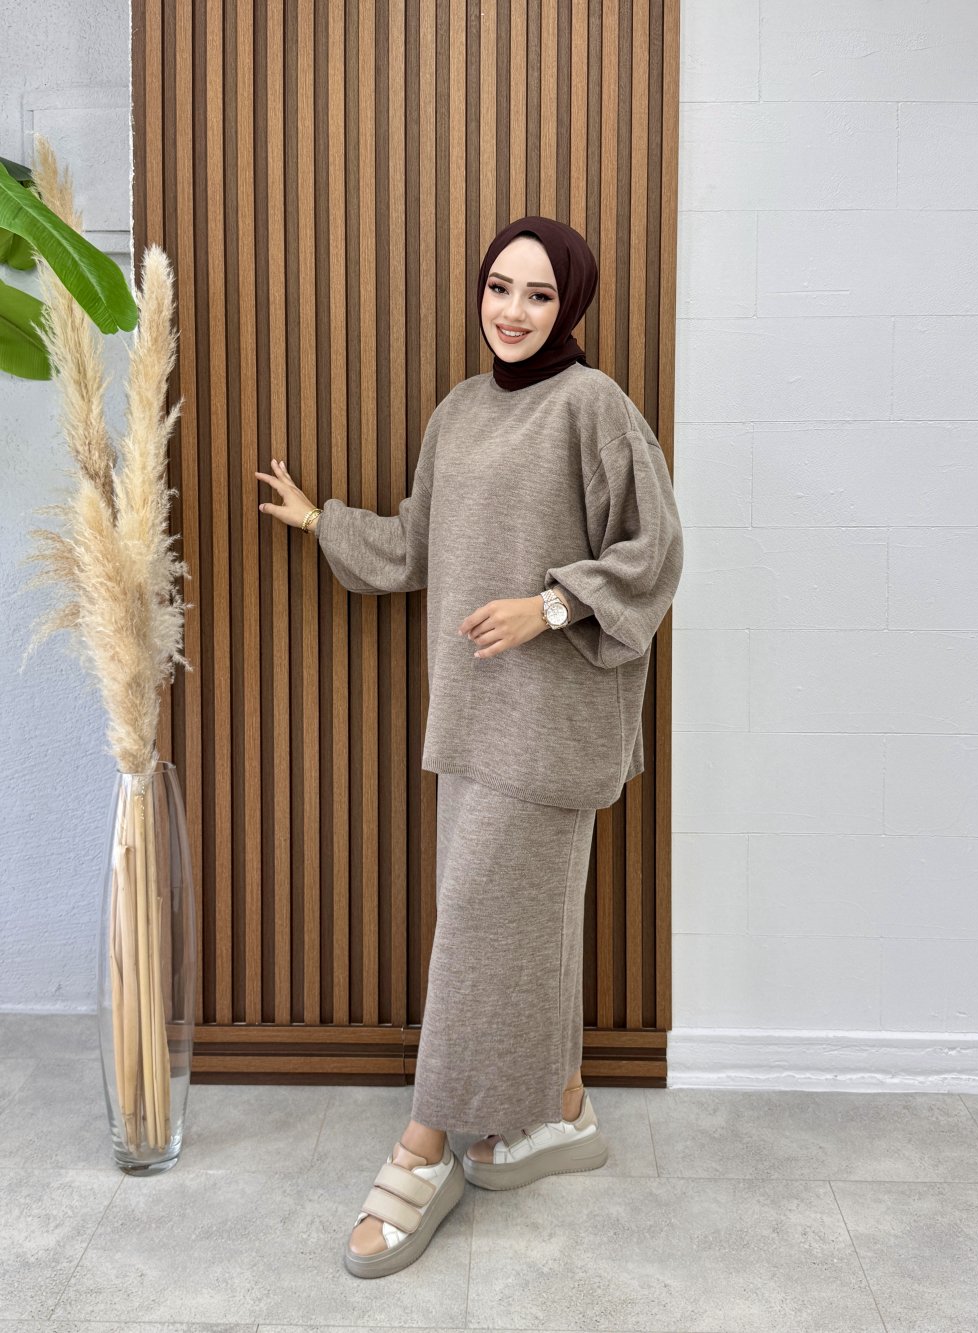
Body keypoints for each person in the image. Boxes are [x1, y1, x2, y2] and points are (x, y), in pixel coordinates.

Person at [255, 216, 684, 1279]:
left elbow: (657, 549)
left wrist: (548, 605)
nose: (513, 310)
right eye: (500, 286)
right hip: (471, 719)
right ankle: (563, 1112)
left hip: (553, 725)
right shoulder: (456, 412)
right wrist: (319, 521)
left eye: (539, 294)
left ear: (569, 304)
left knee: (476, 933)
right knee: (516, 933)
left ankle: (425, 1146)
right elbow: (415, 545)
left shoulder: (593, 405)